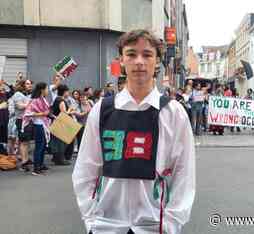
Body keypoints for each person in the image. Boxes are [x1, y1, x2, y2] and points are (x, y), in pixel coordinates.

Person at [72, 29, 195, 234]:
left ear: (157, 61)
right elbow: (86, 168)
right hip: (106, 225)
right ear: (121, 60)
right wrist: (91, 218)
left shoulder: (173, 113)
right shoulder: (102, 110)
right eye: (131, 54)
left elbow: (184, 174)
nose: (139, 61)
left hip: (156, 226)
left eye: (147, 54)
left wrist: (171, 223)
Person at [23, 82, 51, 175]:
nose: (48, 91)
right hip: (38, 124)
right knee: (39, 146)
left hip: (44, 124)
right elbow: (28, 112)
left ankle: (41, 164)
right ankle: (36, 168)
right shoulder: (35, 100)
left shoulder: (43, 99)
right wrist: (42, 114)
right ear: (42, 90)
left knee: (43, 146)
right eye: (47, 89)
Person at [50, 84, 74, 165]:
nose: (68, 93)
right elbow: (64, 114)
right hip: (61, 123)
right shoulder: (61, 101)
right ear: (64, 92)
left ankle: (56, 158)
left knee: (58, 142)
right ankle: (60, 160)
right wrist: (70, 110)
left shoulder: (57, 99)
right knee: (60, 142)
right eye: (67, 91)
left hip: (58, 122)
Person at [13, 80, 33, 171]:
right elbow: (20, 106)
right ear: (22, 85)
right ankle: (23, 162)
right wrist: (31, 103)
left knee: (27, 141)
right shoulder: (17, 94)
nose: (30, 85)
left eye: (30, 84)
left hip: (28, 120)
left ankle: (26, 159)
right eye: (27, 84)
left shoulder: (27, 94)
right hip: (21, 120)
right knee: (23, 142)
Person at [0, 79, 15, 154]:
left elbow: (13, 90)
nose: (2, 87)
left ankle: (3, 151)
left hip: (5, 120)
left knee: (4, 137)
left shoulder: (5, 94)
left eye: (3, 86)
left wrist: (6, 83)